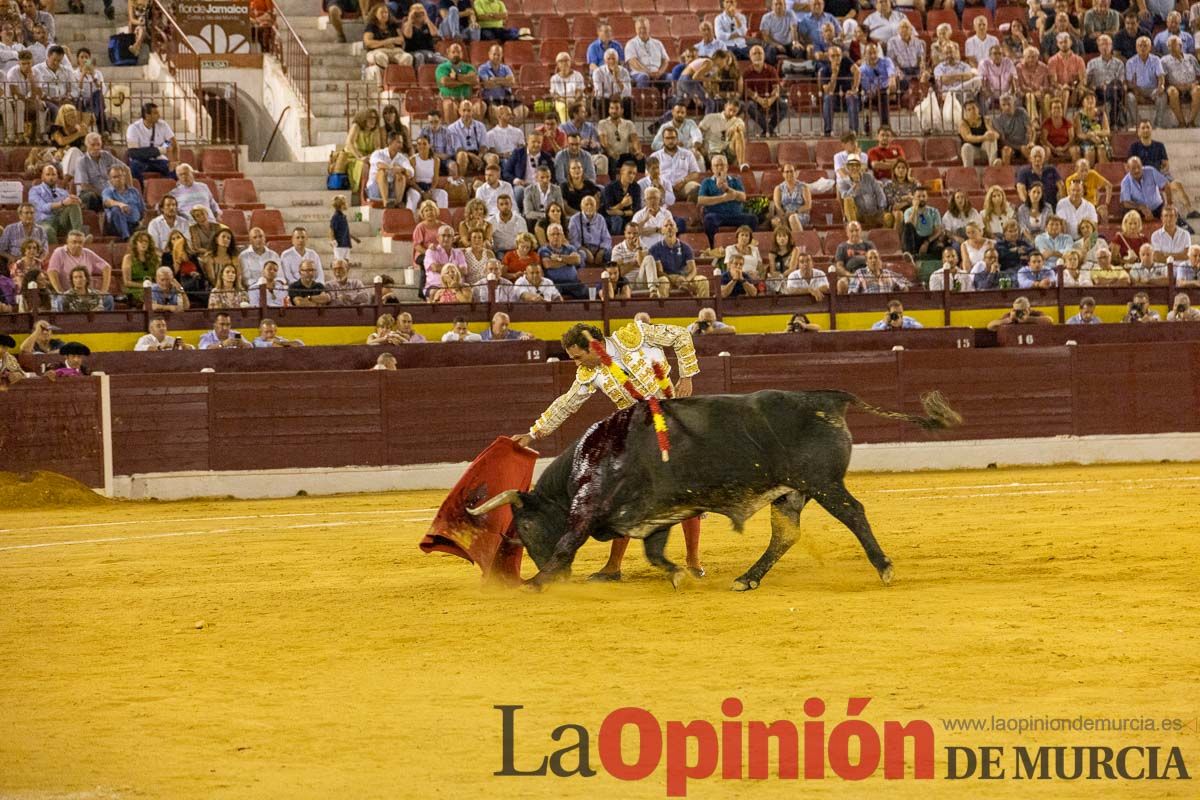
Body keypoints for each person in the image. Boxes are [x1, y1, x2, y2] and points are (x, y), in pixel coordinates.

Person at [512, 320, 705, 581]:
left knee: (685, 493)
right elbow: (565, 404)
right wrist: (533, 433)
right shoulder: (589, 373)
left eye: (578, 357)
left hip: (672, 422)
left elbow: (682, 335)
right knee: (623, 497)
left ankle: (693, 561)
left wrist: (687, 375)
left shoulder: (636, 334)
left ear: (595, 346)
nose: (577, 363)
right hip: (636, 433)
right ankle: (613, 567)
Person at [698, 155, 756, 247]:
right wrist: (723, 198)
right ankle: (714, 246)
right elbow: (701, 200)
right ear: (712, 168)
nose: (720, 168)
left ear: (727, 167)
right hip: (717, 215)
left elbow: (743, 197)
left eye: (722, 165)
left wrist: (727, 189)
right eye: (716, 165)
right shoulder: (707, 182)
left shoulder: (735, 180)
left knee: (752, 219)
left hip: (735, 215)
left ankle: (747, 246)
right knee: (709, 219)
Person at [47, 229, 112, 309]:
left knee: (108, 298)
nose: (78, 245)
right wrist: (60, 291)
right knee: (61, 300)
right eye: (74, 242)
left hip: (87, 293)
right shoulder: (59, 252)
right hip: (68, 294)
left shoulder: (88, 253)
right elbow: (52, 272)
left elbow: (106, 267)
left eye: (80, 242)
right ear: (68, 242)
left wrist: (103, 291)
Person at [649, 219, 709, 298]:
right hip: (667, 279)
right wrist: (675, 279)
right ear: (662, 231)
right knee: (662, 281)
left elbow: (693, 270)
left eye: (671, 225)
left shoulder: (686, 247)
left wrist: (686, 280)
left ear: (676, 229)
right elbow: (659, 272)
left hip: (684, 278)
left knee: (702, 280)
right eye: (666, 226)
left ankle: (704, 308)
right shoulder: (655, 248)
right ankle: (662, 309)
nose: (669, 227)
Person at [29, 164, 85, 245]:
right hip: (44, 221)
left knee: (73, 205)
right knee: (48, 230)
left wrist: (77, 201)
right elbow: (42, 207)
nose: (51, 177)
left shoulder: (63, 192)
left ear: (57, 176)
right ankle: (59, 252)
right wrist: (62, 203)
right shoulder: (34, 190)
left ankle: (78, 237)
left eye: (53, 174)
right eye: (48, 174)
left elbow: (71, 206)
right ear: (42, 177)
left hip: (61, 221)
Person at [125, 102, 177, 183]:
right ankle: (141, 191)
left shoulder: (163, 125)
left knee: (173, 170)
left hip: (158, 160)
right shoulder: (133, 128)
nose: (159, 115)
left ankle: (168, 192)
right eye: (155, 113)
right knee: (134, 167)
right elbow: (133, 153)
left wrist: (174, 161)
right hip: (140, 161)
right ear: (147, 115)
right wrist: (160, 150)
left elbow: (173, 143)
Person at [367, 131, 414, 209]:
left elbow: (411, 172)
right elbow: (379, 164)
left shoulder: (402, 158)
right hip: (375, 189)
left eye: (401, 143)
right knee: (382, 171)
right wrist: (392, 168)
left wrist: (402, 169)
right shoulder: (378, 153)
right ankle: (386, 203)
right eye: (398, 142)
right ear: (390, 142)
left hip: (392, 189)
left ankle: (398, 203)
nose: (401, 145)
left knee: (401, 175)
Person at [838, 156, 887, 229]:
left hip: (874, 211)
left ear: (860, 167)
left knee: (888, 217)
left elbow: (879, 192)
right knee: (848, 200)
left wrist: (882, 208)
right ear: (847, 167)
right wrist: (854, 186)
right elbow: (844, 197)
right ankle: (854, 229)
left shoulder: (869, 177)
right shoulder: (843, 182)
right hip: (858, 214)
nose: (854, 168)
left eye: (857, 165)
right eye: (851, 165)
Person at [901, 188, 947, 258]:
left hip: (929, 239)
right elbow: (910, 226)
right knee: (908, 227)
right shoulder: (908, 211)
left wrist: (926, 242)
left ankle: (924, 258)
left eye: (924, 196)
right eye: (918, 196)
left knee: (939, 248)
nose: (921, 199)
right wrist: (915, 208)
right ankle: (911, 256)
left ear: (927, 197)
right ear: (914, 198)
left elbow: (938, 230)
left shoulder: (934, 211)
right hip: (915, 240)